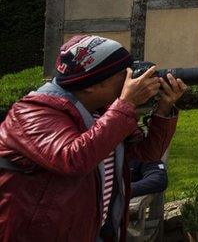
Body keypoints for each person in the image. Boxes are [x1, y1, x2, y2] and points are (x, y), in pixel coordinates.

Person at [0, 35, 185, 241]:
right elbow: (73, 159)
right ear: (91, 84)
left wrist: (164, 108)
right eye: (123, 74)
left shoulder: (100, 111)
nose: (130, 81)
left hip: (91, 230)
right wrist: (126, 104)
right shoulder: (32, 113)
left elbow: (145, 154)